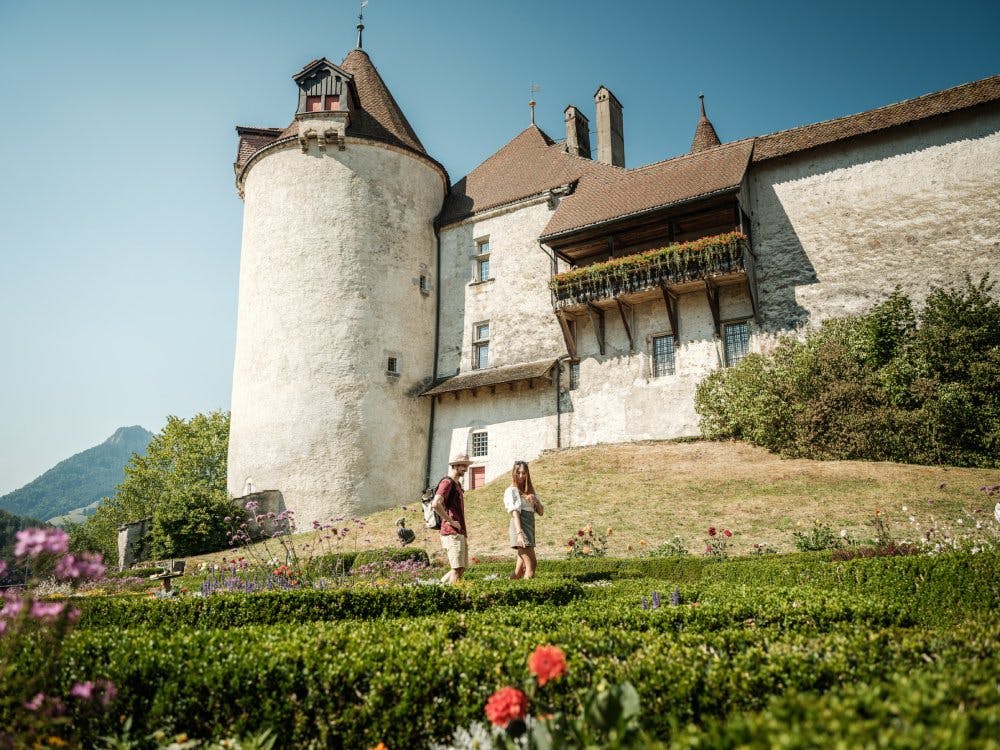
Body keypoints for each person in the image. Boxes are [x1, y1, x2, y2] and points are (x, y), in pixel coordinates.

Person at [431, 453, 471, 584]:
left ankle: (439, 586)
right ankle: (452, 597)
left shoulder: (456, 485)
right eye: (463, 465)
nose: (465, 468)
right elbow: (436, 503)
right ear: (455, 466)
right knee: (457, 568)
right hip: (451, 531)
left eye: (466, 465)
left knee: (460, 568)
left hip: (459, 531)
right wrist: (450, 521)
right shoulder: (447, 482)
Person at [504, 460, 544, 579]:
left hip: (530, 528)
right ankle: (527, 594)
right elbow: (515, 513)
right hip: (519, 527)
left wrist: (535, 501)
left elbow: (541, 512)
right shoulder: (512, 490)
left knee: (519, 571)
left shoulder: (531, 491)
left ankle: (508, 591)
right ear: (514, 473)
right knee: (531, 565)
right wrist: (519, 534)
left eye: (524, 473)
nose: (521, 476)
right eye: (518, 473)